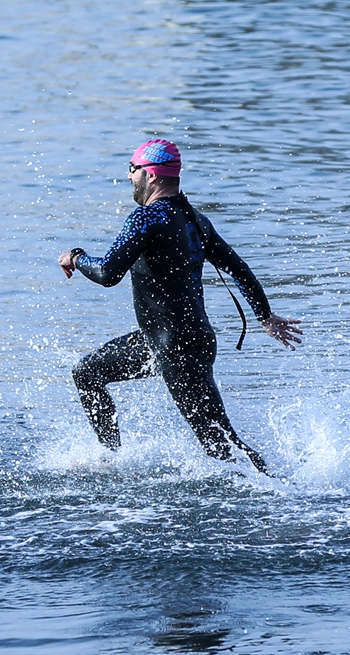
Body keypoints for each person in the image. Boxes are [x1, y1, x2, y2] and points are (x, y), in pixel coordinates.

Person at [57, 139, 303, 475]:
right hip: (173, 339)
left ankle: (283, 488)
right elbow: (240, 268)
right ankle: (111, 458)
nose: (129, 176)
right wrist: (263, 315)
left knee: (219, 444)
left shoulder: (146, 218)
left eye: (133, 169)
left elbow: (107, 273)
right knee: (87, 372)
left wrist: (76, 256)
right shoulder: (194, 220)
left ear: (152, 176)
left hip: (175, 346)